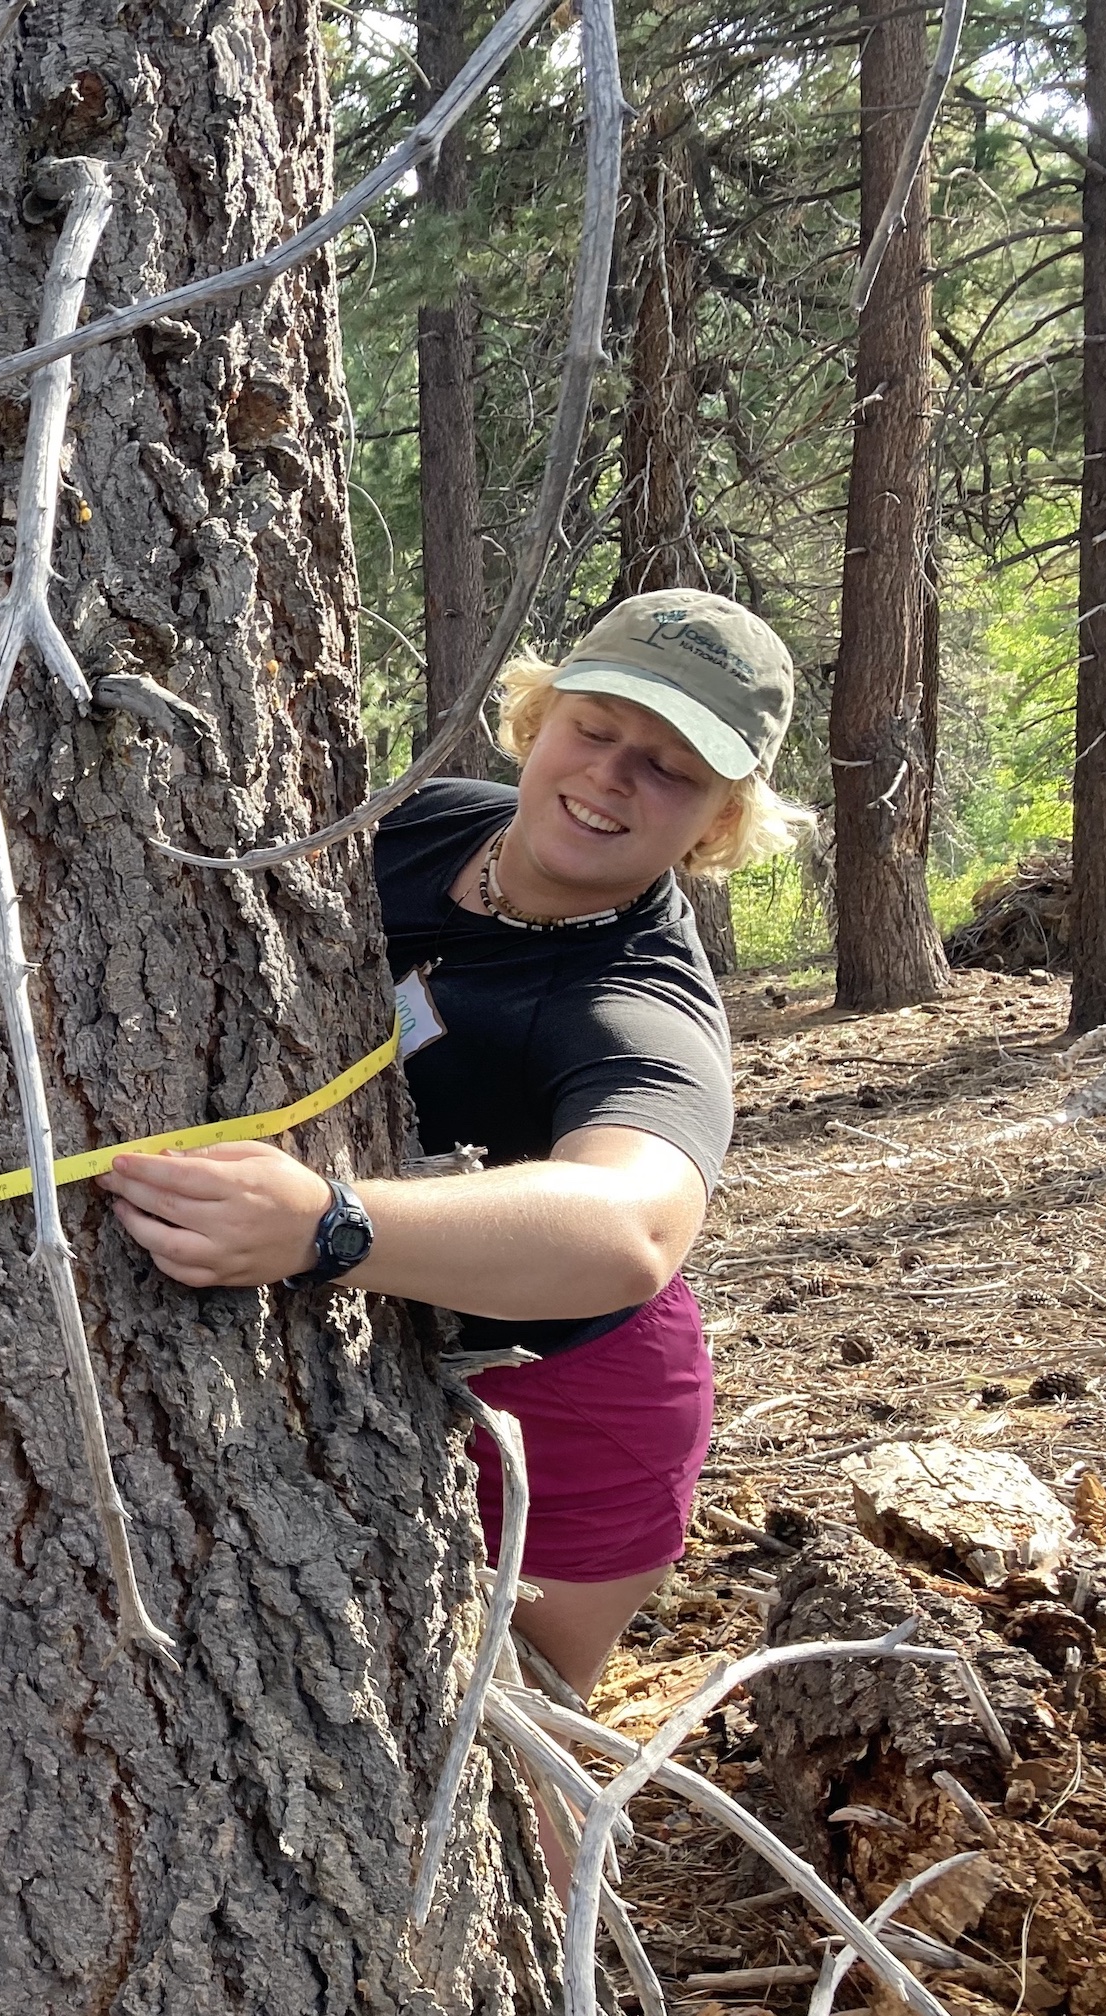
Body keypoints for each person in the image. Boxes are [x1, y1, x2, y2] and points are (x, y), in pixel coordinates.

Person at [101, 589, 815, 1709]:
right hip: (370, 1348)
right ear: (539, 719)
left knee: (504, 1742)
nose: (615, 776)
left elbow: (631, 1228)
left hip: (574, 1397)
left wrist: (328, 1227)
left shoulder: (636, 1001)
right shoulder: (418, 821)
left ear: (719, 825)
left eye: (672, 769)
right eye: (597, 728)